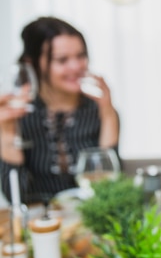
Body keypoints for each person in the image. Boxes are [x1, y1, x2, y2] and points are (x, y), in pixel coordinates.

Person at [0, 16, 119, 201]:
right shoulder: (18, 116)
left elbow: (110, 190)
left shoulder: (98, 110)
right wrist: (7, 134)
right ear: (32, 63)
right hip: (41, 224)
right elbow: (17, 197)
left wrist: (108, 115)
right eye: (62, 60)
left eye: (81, 56)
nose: (76, 66)